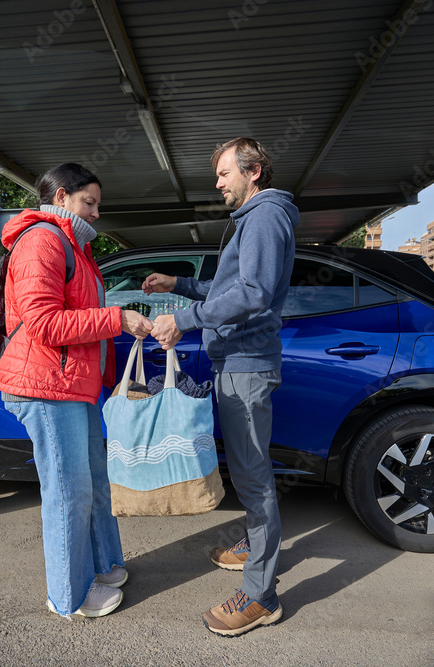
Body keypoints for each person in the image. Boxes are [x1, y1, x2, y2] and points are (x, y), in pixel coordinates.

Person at [143, 137, 299, 637]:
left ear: (253, 172)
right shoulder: (254, 217)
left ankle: (261, 596)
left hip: (246, 364)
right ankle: (254, 548)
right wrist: (179, 285)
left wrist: (182, 320)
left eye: (224, 173)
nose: (217, 183)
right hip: (236, 360)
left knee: (253, 478)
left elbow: (254, 293)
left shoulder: (265, 216)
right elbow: (230, 288)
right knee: (247, 468)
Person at [0, 163, 153, 618]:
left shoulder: (73, 246)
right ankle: (69, 595)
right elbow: (43, 324)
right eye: (90, 202)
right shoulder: (42, 241)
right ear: (61, 197)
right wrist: (117, 318)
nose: (97, 213)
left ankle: (102, 566)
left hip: (72, 386)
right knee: (68, 493)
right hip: (47, 388)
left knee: (94, 484)